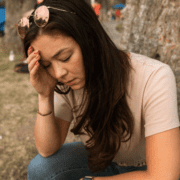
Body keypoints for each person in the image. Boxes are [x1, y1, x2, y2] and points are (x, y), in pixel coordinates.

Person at [16, 0, 180, 180]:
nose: (59, 73)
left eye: (65, 57)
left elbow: (164, 175)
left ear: (90, 38)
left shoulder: (154, 76)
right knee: (41, 168)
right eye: (47, 65)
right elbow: (47, 149)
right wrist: (45, 95)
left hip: (150, 166)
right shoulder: (64, 82)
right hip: (103, 161)